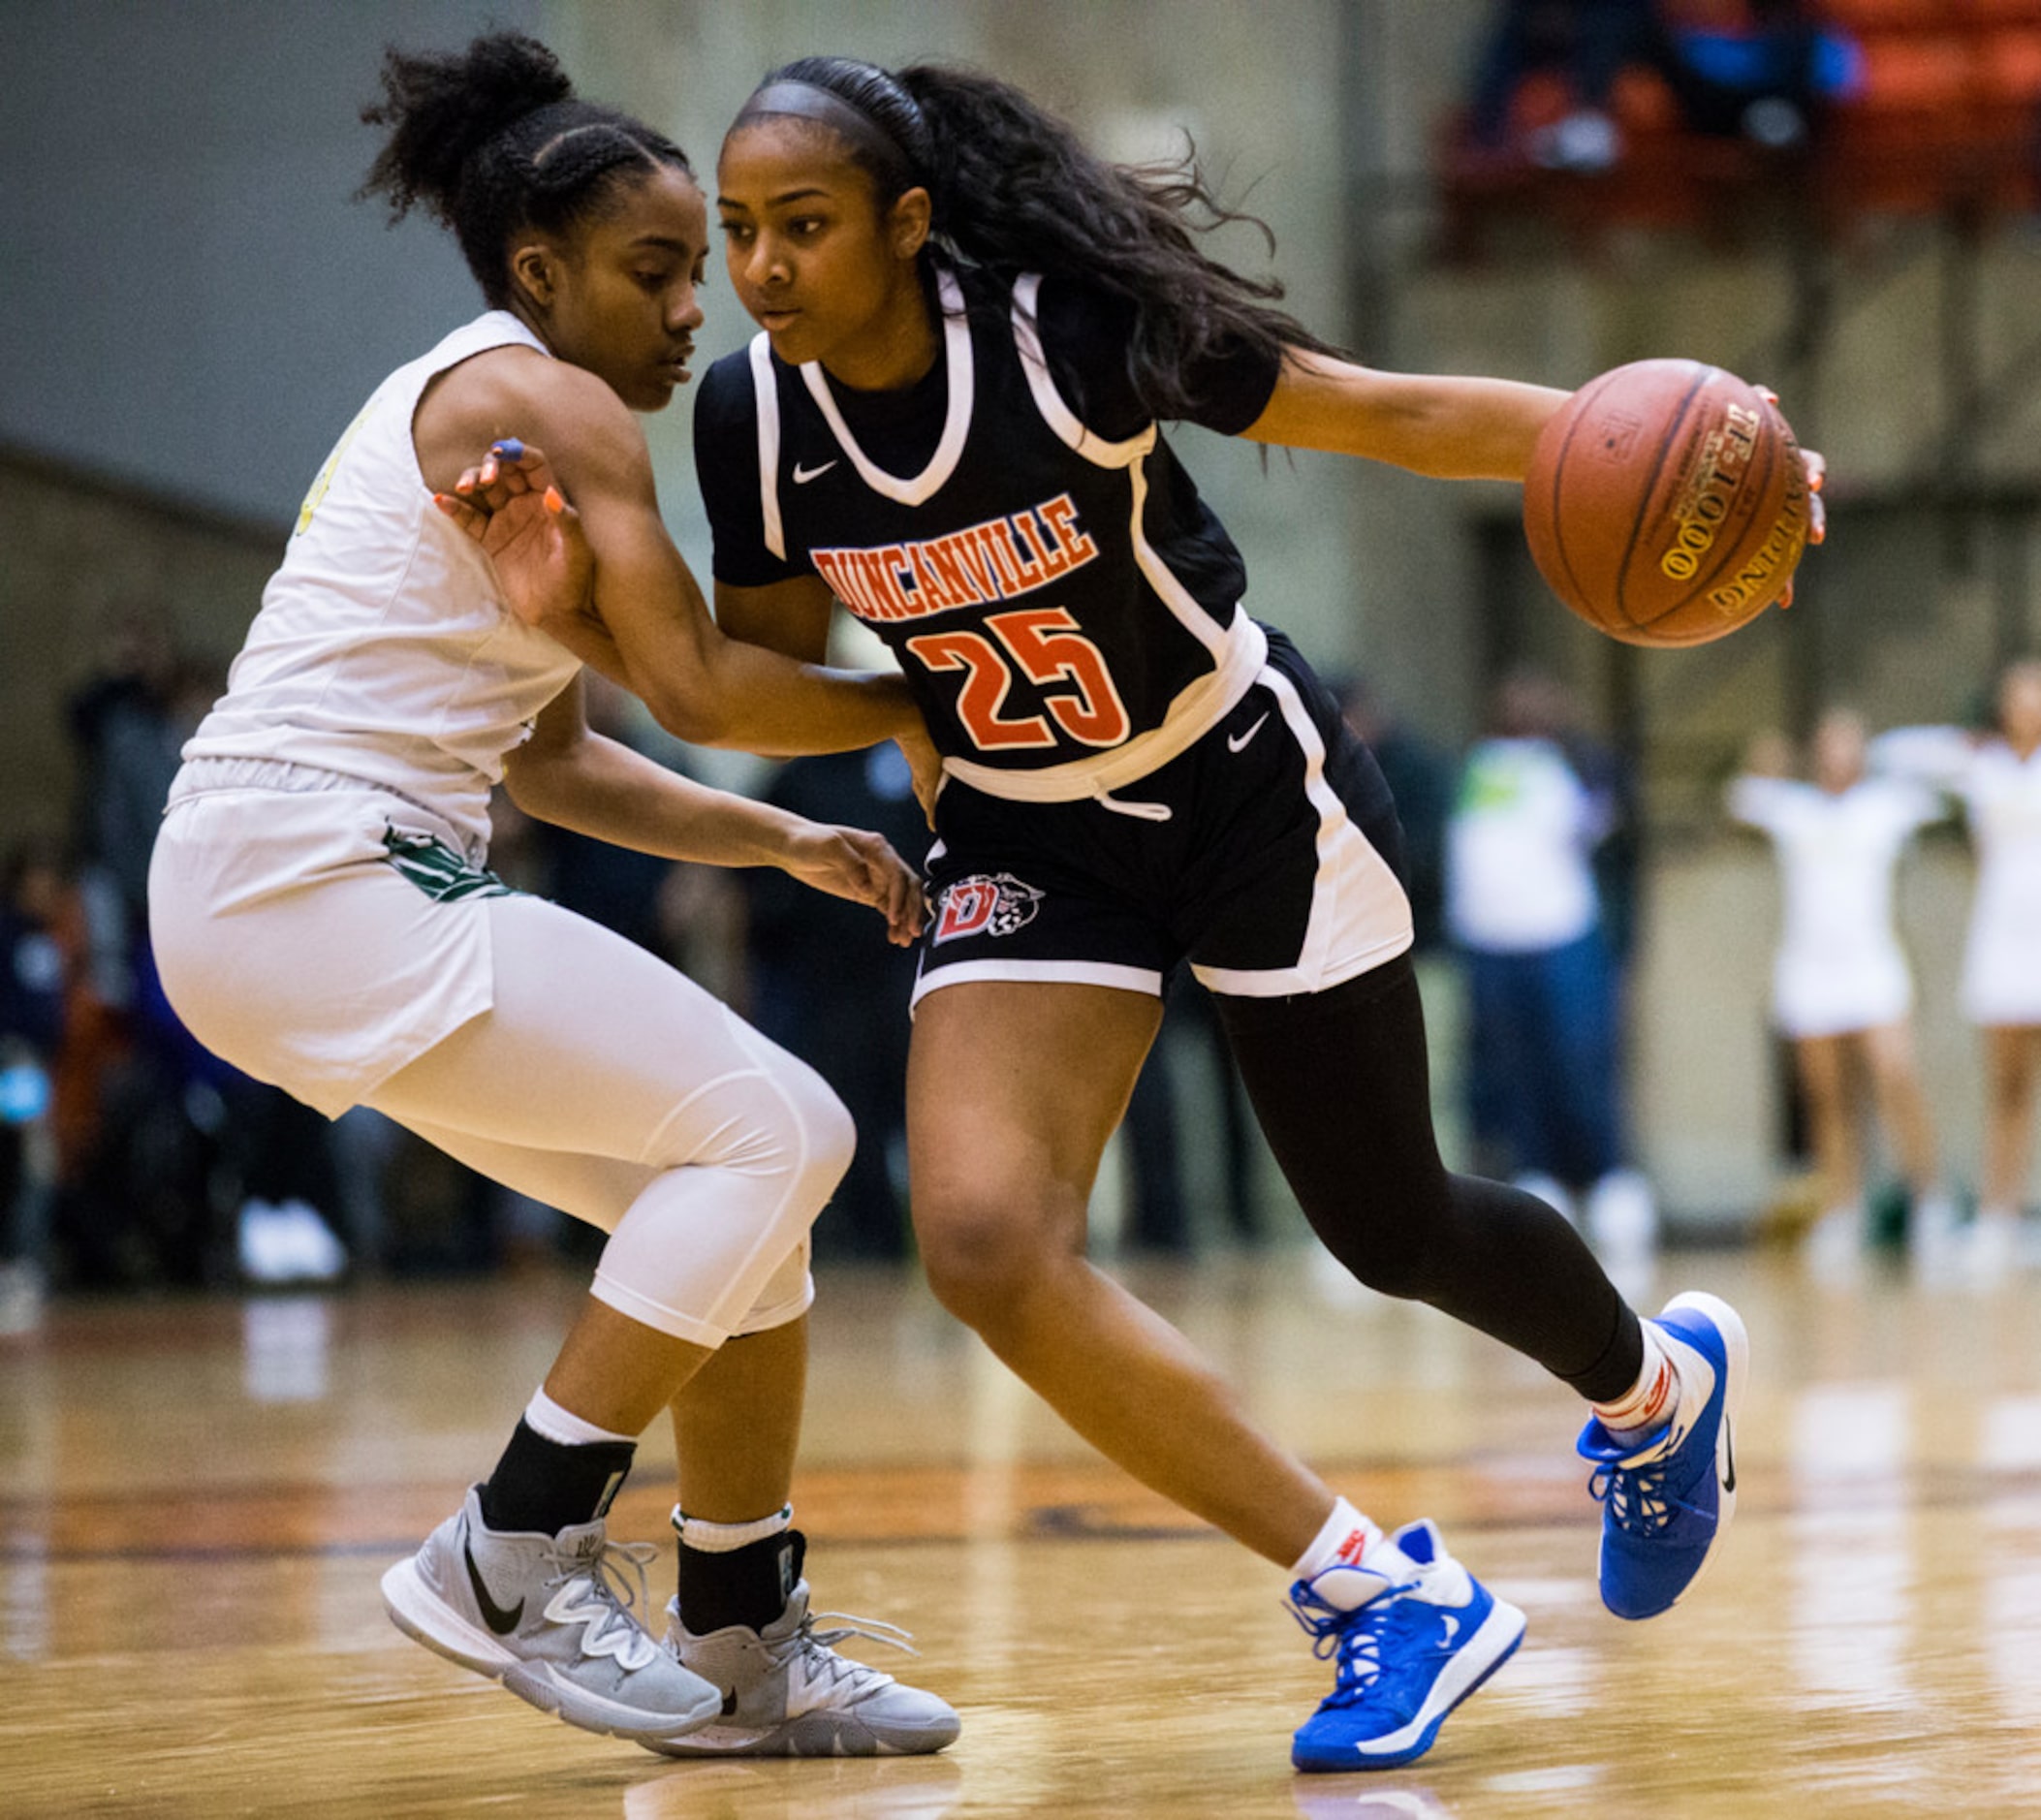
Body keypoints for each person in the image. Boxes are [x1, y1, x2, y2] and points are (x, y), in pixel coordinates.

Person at [457, 55, 1824, 1774]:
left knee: (1386, 1224)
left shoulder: (1063, 333)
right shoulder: (753, 418)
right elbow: (748, 681)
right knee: (981, 1240)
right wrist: (583, 613)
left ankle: (1651, 1390)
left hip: (1243, 784)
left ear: (907, 221)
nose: (761, 270)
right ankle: (1377, 1592)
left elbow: (1382, 413)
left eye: (801, 227)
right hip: (1037, 829)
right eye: (735, 234)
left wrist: (1713, 470)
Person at [144, 32, 957, 1759]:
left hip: (292, 887)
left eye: (699, 275)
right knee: (781, 1128)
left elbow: (562, 759)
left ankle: (741, 1639)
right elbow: (711, 685)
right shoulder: (536, 394)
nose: (697, 309)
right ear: (543, 271)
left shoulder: (493, 413)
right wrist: (920, 695)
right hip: (314, 868)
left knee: (747, 1217)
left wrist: (783, 840)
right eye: (660, 270)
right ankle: (504, 1544)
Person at [1727, 711, 1954, 1273]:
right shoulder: (1795, 809)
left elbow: (1945, 778)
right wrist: (1766, 757)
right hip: (1810, 970)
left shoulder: (1884, 806)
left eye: (1848, 743)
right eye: (1827, 743)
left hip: (1872, 967)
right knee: (1828, 1098)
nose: (1837, 754)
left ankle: (1931, 1201)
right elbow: (1739, 796)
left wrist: (1897, 751)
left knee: (1895, 1076)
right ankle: (1842, 1211)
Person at [1445, 671, 1654, 1259]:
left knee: (1580, 1063)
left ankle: (1613, 1187)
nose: (1522, 701)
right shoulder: (1477, 765)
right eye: (1512, 695)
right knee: (1515, 1070)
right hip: (1491, 944)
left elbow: (1607, 820)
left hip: (1560, 938)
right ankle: (1537, 1182)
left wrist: (1573, 743)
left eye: (1534, 695)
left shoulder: (1574, 762)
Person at [1876, 659, 2041, 1277]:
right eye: (2020, 697)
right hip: (2002, 943)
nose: (2030, 707)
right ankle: (1998, 1219)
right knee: (2008, 1089)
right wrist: (1962, 741)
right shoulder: (1984, 764)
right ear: (2002, 707)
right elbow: (1893, 753)